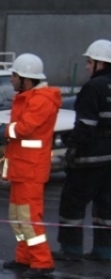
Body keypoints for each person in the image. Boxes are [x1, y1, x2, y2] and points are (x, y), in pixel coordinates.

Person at [0, 53, 61, 279]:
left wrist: (3, 131)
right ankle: (25, 257)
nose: (11, 79)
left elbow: (25, 127)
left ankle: (42, 262)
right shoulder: (28, 97)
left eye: (14, 75)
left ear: (27, 79)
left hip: (30, 170)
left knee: (28, 218)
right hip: (22, 168)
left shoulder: (41, 100)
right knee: (18, 216)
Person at [53, 39, 111, 264]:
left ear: (100, 63)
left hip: (90, 158)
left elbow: (86, 125)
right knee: (105, 206)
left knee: (72, 202)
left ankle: (71, 249)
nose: (87, 67)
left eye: (89, 62)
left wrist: (72, 147)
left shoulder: (93, 87)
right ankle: (104, 251)